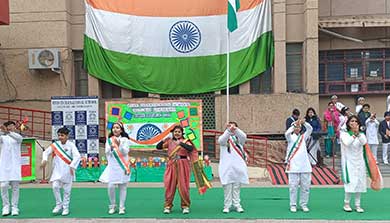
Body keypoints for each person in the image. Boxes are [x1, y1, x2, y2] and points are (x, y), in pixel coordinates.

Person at [156, 125, 196, 214]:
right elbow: (158, 147)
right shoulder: (169, 141)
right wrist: (164, 139)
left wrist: (181, 143)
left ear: (182, 133)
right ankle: (167, 206)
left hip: (183, 164)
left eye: (179, 132)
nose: (177, 133)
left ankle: (185, 206)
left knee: (184, 186)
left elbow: (191, 148)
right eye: (175, 132)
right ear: (172, 133)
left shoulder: (185, 141)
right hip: (172, 164)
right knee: (169, 185)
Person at [41, 127, 81, 216]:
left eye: (62, 135)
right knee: (55, 186)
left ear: (67, 136)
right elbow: (46, 152)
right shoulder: (55, 145)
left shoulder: (71, 145)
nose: (60, 137)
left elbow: (77, 156)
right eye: (59, 135)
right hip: (57, 170)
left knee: (67, 190)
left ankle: (66, 207)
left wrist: (72, 166)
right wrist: (44, 159)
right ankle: (58, 204)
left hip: (68, 170)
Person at [99, 122, 130, 215]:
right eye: (113, 128)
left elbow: (125, 152)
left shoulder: (125, 140)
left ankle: (122, 207)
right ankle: (112, 205)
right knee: (111, 186)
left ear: (121, 130)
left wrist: (119, 145)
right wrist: (112, 148)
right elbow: (107, 152)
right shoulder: (109, 140)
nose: (115, 129)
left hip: (122, 166)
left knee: (122, 187)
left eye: (117, 128)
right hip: (113, 166)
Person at [218, 121, 248, 213]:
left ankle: (237, 205)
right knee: (227, 187)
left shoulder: (239, 139)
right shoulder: (224, 138)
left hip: (237, 166)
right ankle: (227, 205)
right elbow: (221, 140)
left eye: (234, 126)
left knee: (236, 187)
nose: (232, 127)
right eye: (230, 126)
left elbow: (244, 136)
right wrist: (228, 131)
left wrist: (236, 129)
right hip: (226, 166)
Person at [340, 115, 367, 213]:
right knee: (350, 182)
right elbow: (347, 143)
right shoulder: (344, 134)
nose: (354, 123)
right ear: (348, 123)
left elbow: (364, 142)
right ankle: (346, 203)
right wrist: (354, 135)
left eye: (356, 121)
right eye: (352, 121)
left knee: (359, 182)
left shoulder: (361, 134)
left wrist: (358, 134)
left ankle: (357, 204)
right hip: (349, 162)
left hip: (359, 162)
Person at [285, 119, 313, 213]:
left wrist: (303, 122)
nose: (297, 128)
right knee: (293, 187)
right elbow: (287, 133)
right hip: (293, 165)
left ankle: (303, 204)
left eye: (299, 127)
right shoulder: (290, 137)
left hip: (305, 165)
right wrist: (294, 125)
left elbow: (310, 129)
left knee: (305, 187)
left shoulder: (303, 137)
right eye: (296, 127)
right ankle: (293, 204)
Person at [0, 121, 23, 216]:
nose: (10, 127)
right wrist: (2, 131)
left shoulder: (17, 137)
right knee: (3, 186)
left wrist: (8, 132)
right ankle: (6, 206)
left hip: (15, 166)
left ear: (14, 127)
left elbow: (19, 139)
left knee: (15, 187)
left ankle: (14, 207)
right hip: (4, 166)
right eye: (8, 126)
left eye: (11, 126)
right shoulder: (2, 137)